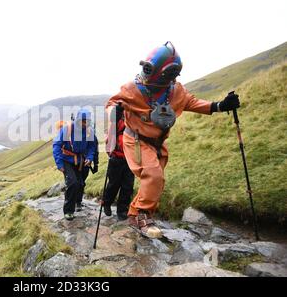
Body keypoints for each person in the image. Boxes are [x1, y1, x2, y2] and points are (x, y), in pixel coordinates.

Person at [106, 41, 240, 238]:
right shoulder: (131, 89)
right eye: (145, 68)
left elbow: (192, 102)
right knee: (153, 174)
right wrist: (114, 111)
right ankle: (143, 216)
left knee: (155, 181)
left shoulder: (176, 91)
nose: (145, 74)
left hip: (158, 144)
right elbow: (111, 104)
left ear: (166, 73)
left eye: (150, 70)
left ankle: (134, 214)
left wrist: (220, 105)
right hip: (135, 140)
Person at [53, 109, 96, 220]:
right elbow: (57, 145)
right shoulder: (67, 129)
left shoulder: (89, 131)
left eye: (87, 121)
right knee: (72, 183)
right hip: (67, 160)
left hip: (80, 160)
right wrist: (59, 164)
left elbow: (92, 146)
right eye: (83, 121)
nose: (85, 123)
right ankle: (68, 211)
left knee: (80, 183)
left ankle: (78, 202)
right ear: (78, 119)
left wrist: (90, 157)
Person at [103, 103, 135, 220]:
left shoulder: (136, 120)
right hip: (116, 157)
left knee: (127, 186)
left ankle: (122, 210)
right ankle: (106, 203)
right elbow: (110, 135)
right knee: (113, 184)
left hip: (130, 159)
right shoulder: (117, 119)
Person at [76, 133, 99, 212]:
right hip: (74, 162)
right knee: (78, 182)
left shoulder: (91, 135)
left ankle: (78, 201)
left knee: (82, 182)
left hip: (86, 162)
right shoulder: (73, 133)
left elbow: (95, 150)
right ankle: (77, 202)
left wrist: (96, 164)